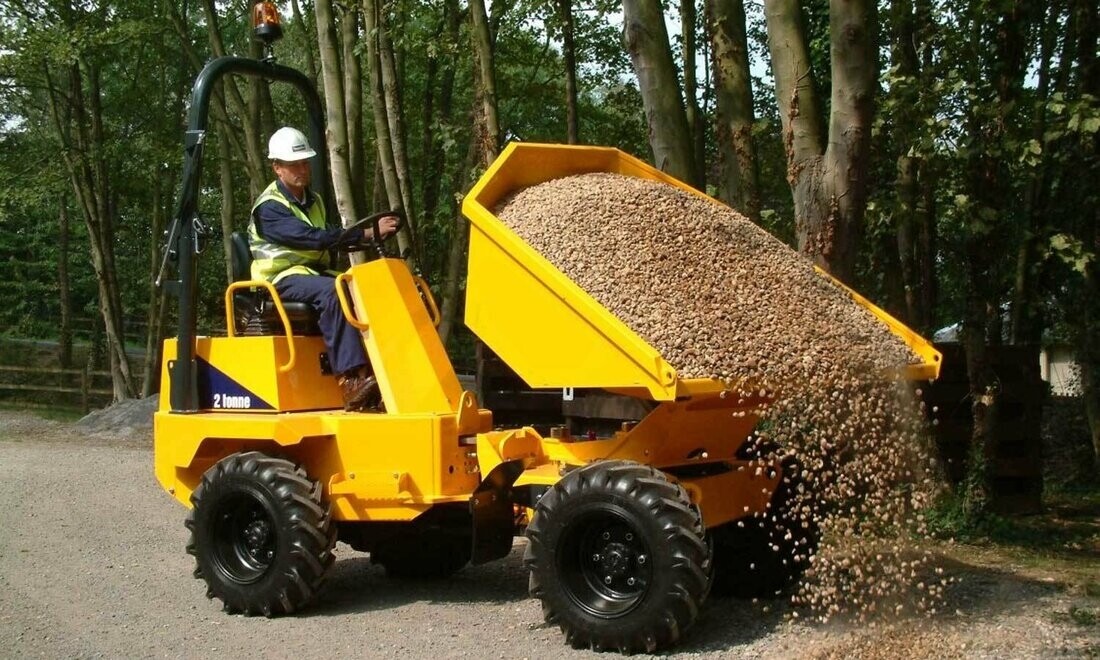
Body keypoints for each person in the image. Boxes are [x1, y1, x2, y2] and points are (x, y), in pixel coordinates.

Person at [249, 126, 399, 411]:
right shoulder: (269, 207)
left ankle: (384, 370)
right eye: (294, 165)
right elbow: (309, 238)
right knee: (333, 292)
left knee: (367, 286)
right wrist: (363, 234)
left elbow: (327, 235)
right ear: (277, 168)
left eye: (305, 162)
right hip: (278, 280)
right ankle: (351, 380)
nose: (302, 169)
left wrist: (360, 238)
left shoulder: (313, 200)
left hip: (309, 274)